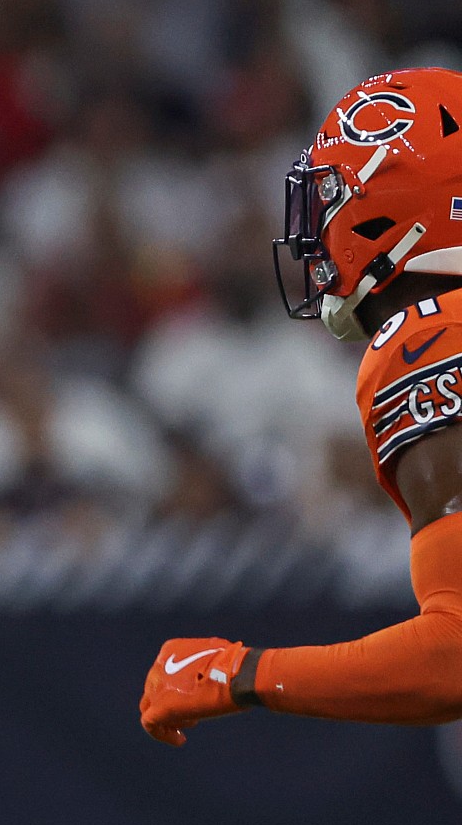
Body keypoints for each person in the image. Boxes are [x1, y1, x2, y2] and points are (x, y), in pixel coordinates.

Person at [142, 69, 462, 742]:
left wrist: (240, 673)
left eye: (335, 200)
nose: (317, 233)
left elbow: (455, 657)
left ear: (402, 210)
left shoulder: (433, 339)